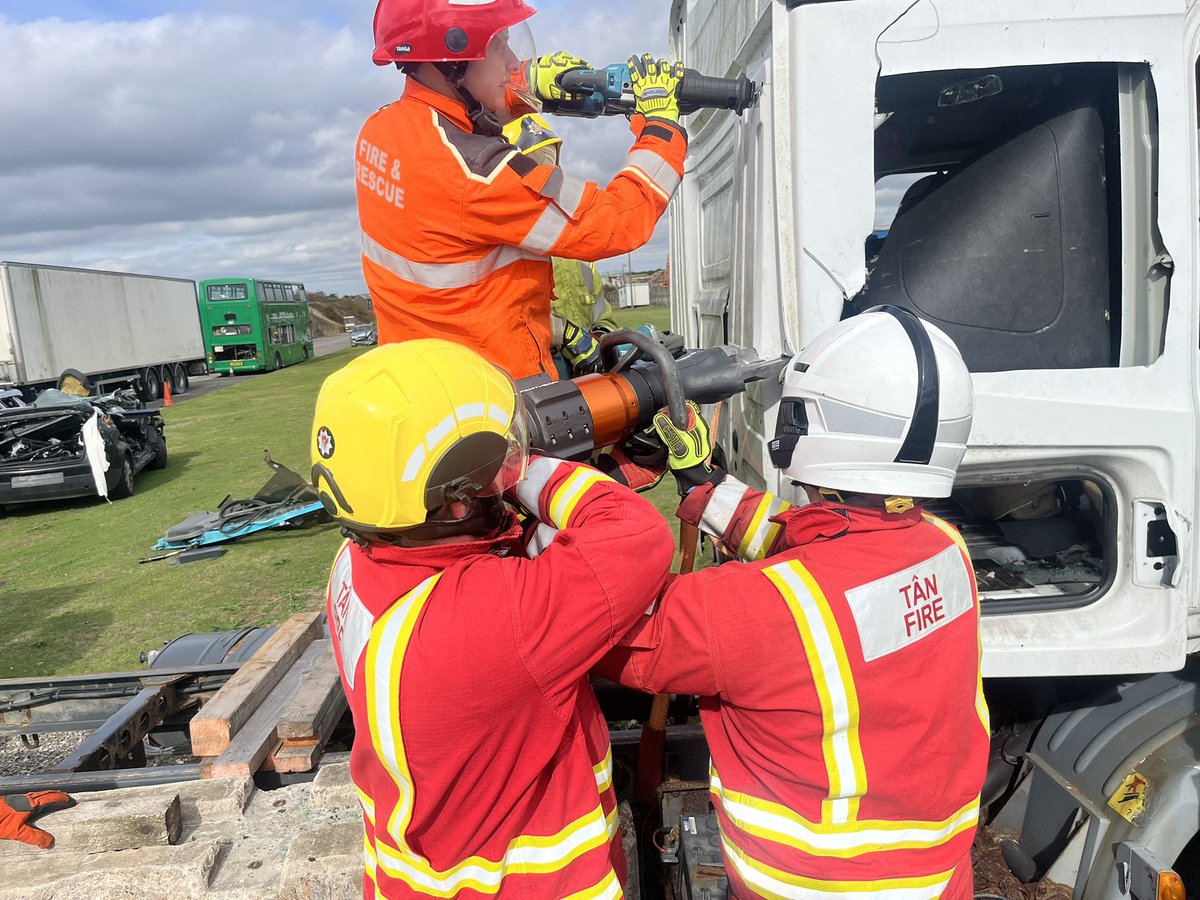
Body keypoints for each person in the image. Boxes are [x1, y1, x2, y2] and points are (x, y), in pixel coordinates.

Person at [599, 307, 990, 898]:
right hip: (937, 878)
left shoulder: (763, 608)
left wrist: (580, 497)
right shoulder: (943, 546)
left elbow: (596, 617)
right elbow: (821, 550)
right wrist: (703, 483)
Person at [311, 339, 675, 898]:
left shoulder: (357, 560)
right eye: (502, 452)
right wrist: (530, 470)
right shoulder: (491, 619)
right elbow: (636, 536)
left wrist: (500, 485)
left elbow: (489, 552)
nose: (512, 458)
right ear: (456, 497)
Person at [360, 0, 689, 380]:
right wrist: (661, 126)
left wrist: (528, 86)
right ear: (453, 60)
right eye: (500, 46)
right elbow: (617, 221)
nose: (513, 61)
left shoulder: (380, 132)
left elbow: (463, 117)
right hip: (497, 394)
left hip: (424, 381)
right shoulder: (479, 174)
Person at [501, 113, 619, 378]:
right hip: (530, 385)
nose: (541, 179)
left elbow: (602, 316)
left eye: (548, 163)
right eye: (531, 164)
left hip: (589, 387)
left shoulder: (578, 255)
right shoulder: (496, 251)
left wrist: (601, 340)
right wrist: (562, 334)